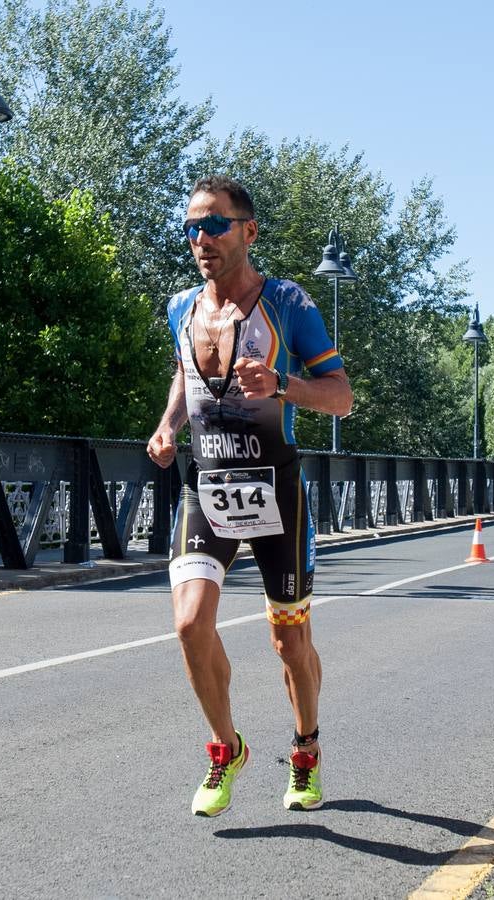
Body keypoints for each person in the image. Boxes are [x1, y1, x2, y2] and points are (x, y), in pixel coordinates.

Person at [147, 175, 353, 817]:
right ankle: (225, 748)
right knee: (188, 623)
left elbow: (341, 396)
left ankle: (305, 750)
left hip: (275, 488)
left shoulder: (289, 302)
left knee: (289, 640)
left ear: (248, 230)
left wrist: (282, 385)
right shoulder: (183, 306)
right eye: (191, 227)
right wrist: (168, 424)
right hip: (207, 484)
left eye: (214, 224)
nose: (200, 238)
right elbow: (184, 374)